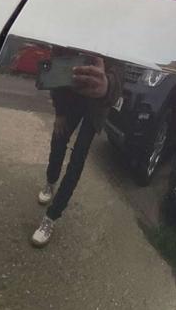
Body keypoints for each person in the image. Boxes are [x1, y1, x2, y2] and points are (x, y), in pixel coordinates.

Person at [32, 55, 121, 247]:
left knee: (77, 159)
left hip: (97, 105)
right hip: (70, 97)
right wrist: (59, 111)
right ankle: (51, 181)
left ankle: (51, 217)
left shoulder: (122, 40)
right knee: (58, 141)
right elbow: (58, 61)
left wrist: (107, 86)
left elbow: (120, 73)